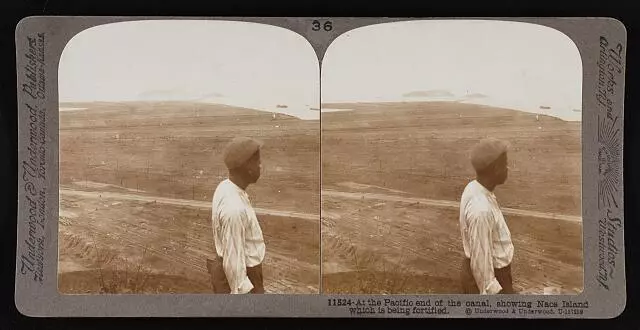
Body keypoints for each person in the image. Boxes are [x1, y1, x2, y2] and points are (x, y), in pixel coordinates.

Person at [207, 137, 266, 294]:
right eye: (257, 161)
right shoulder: (234, 209)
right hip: (245, 277)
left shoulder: (226, 187)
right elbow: (234, 265)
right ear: (247, 167)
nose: (261, 165)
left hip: (231, 271)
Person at [458, 138, 515, 294]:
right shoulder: (481, 210)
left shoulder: (474, 188)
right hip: (493, 279)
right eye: (505, 164)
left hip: (486, 273)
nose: (508, 168)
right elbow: (483, 274)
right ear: (496, 168)